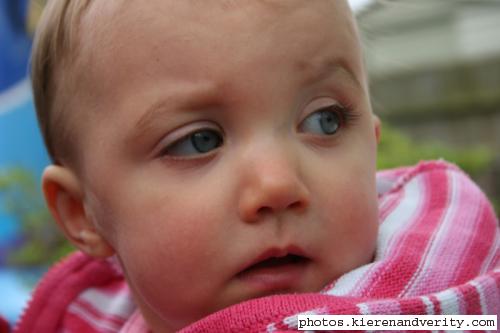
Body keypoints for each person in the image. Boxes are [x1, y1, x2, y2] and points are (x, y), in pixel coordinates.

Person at [14, 1, 499, 332]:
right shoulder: (84, 317)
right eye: (197, 142)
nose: (278, 184)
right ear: (83, 213)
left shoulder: (438, 297)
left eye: (325, 120)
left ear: (370, 144)